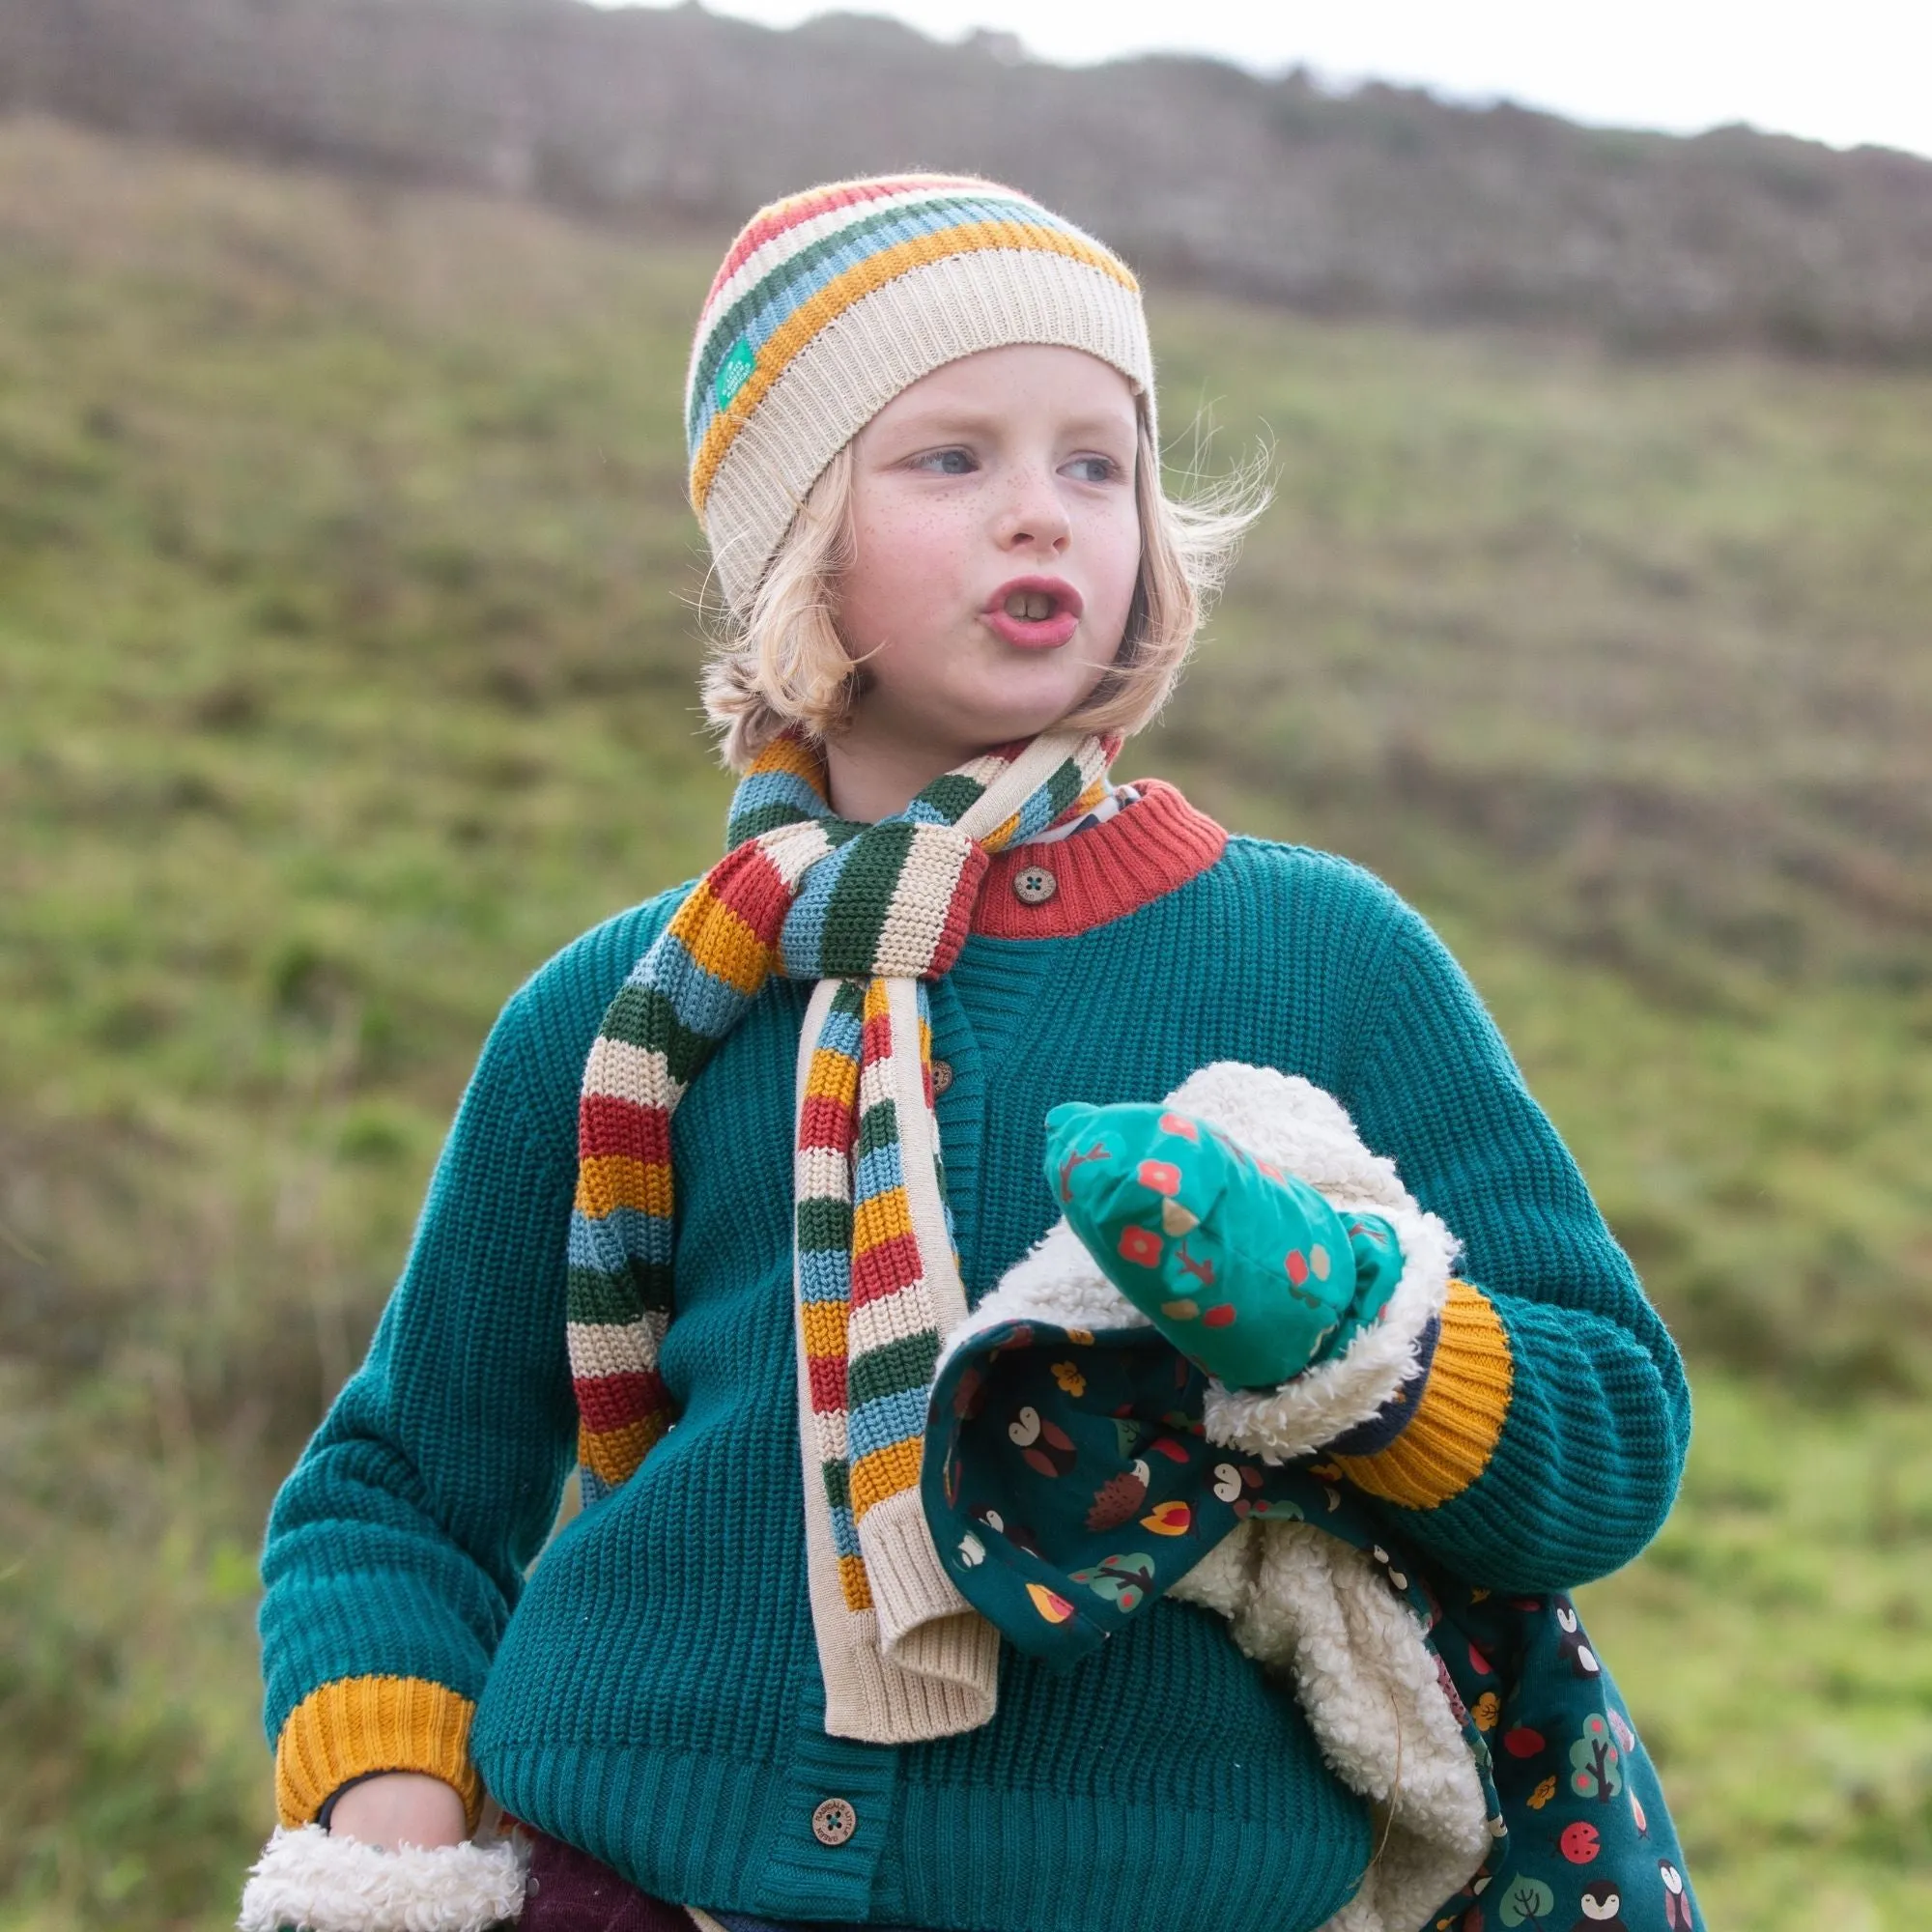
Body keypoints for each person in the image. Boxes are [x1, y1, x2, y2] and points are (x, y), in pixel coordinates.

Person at [245, 175, 1694, 1932]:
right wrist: (390, 1830)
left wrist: (1344, 1326)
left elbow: (1609, 1439)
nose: (1044, 518)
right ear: (794, 538)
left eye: (1097, 465)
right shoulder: (621, 1012)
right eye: (953, 460)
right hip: (623, 1882)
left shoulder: (1330, 962)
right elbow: (398, 1488)